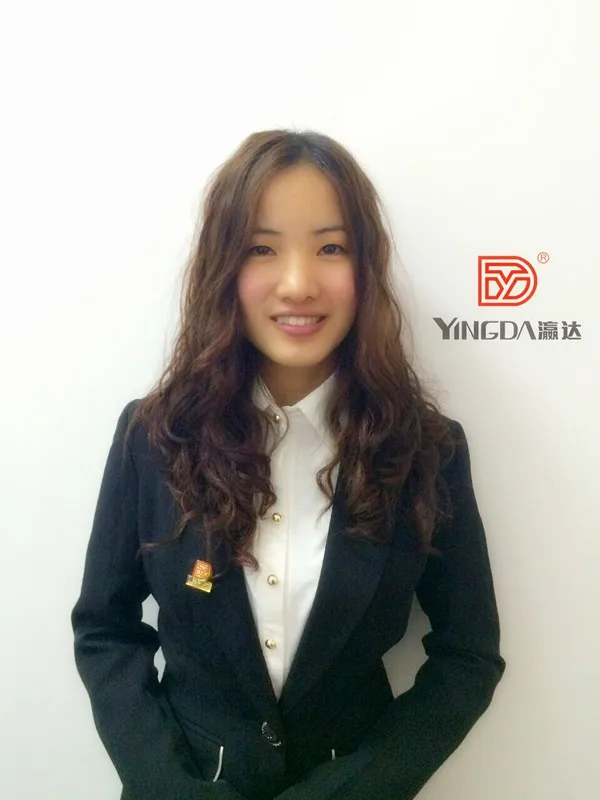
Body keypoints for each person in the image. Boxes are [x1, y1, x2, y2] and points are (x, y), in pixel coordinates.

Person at [71, 129, 506, 800]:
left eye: (331, 248)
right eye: (261, 248)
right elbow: (105, 631)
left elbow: (468, 656)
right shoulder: (153, 436)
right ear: (224, 268)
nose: (299, 283)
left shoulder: (427, 450)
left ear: (365, 268)